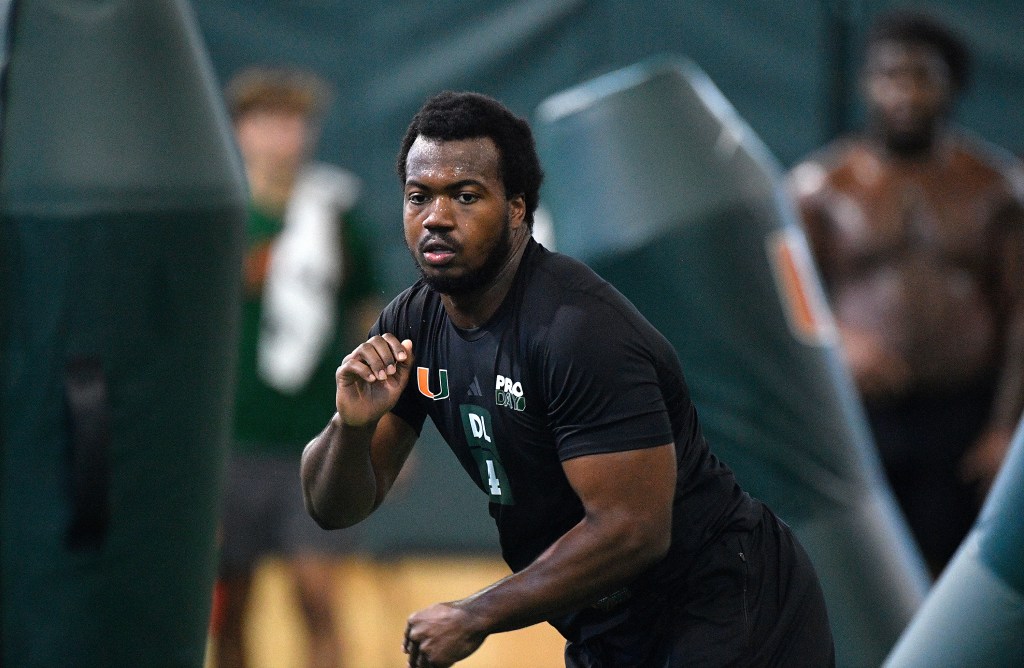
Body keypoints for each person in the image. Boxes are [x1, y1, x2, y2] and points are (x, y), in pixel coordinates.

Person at [301, 90, 834, 667]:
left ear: (517, 209)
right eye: (418, 196)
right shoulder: (412, 321)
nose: (436, 217)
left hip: (724, 603)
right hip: (608, 621)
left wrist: (476, 614)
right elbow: (335, 509)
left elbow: (633, 529)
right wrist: (350, 428)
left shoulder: (576, 330)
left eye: (465, 196)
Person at [789, 11, 1024, 576]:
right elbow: (792, 298)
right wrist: (844, 341)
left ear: (951, 85)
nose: (905, 93)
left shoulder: (995, 187)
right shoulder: (822, 187)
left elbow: (1020, 312)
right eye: (890, 76)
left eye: (922, 76)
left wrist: (1005, 429)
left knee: (949, 576)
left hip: (963, 418)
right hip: (859, 419)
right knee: (859, 575)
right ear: (868, 84)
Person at [214, 66, 381, 668]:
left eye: (294, 122)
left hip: (315, 442)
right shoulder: (218, 218)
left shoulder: (335, 218)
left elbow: (370, 320)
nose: (282, 136)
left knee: (319, 599)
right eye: (266, 122)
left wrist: (381, 428)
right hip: (230, 442)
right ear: (238, 131)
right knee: (231, 606)